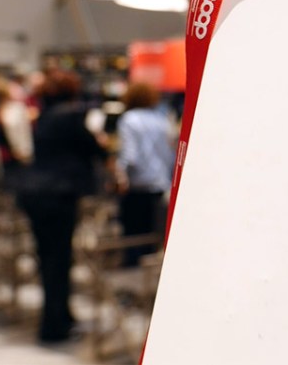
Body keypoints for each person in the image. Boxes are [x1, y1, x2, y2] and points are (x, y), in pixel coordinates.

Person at [18, 69, 108, 343]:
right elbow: (94, 149)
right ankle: (54, 326)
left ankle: (59, 317)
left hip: (35, 192)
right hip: (58, 194)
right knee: (58, 260)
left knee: (49, 260)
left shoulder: (44, 115)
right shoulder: (70, 115)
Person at [115, 82, 175, 266]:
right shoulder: (162, 120)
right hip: (160, 184)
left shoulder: (129, 119)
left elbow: (130, 156)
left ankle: (131, 275)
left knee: (133, 238)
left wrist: (120, 175)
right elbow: (170, 155)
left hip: (137, 186)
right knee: (152, 237)